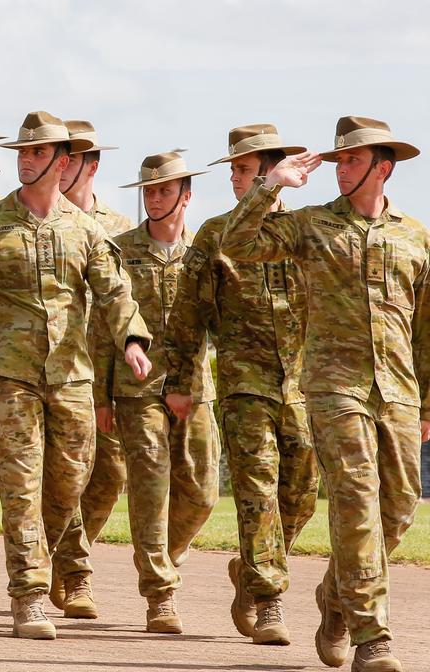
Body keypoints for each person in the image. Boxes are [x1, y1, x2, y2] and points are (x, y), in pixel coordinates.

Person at [222, 116, 427, 672]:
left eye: (354, 162)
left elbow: (427, 327)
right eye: (338, 162)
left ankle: (336, 598)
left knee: (399, 507)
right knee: (357, 503)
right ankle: (372, 635)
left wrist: (425, 403)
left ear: (383, 168)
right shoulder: (311, 226)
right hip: (333, 388)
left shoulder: (415, 235)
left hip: (399, 391)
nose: (342, 171)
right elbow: (237, 244)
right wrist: (270, 187)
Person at [0, 111, 151, 640]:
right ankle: (28, 594)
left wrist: (132, 338)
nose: (26, 161)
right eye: (22, 153)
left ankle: (42, 558)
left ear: (64, 161)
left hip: (71, 376)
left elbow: (114, 291)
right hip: (7, 378)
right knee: (19, 484)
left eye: (37, 153)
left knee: (69, 480)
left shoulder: (85, 229)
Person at [164, 123, 318, 645]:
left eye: (245, 171)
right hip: (243, 383)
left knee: (300, 495)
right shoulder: (217, 234)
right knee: (258, 491)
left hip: (300, 385)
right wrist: (181, 380)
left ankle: (251, 572)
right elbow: (187, 315)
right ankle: (269, 599)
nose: (235, 180)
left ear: (276, 172)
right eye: (234, 172)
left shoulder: (304, 232)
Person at [104, 151, 219, 634]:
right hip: (137, 389)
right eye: (149, 191)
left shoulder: (207, 253)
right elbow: (100, 323)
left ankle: (162, 557)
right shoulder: (118, 250)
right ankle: (160, 594)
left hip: (194, 386)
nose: (154, 198)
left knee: (202, 492)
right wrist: (98, 397)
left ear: (186, 196)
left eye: (165, 190)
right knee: (151, 488)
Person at [48, 119, 135, 616]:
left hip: (108, 371)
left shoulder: (120, 229)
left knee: (107, 478)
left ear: (90, 165)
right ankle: (74, 571)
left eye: (72, 160)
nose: (61, 169)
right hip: (57, 368)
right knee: (66, 475)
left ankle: (65, 554)